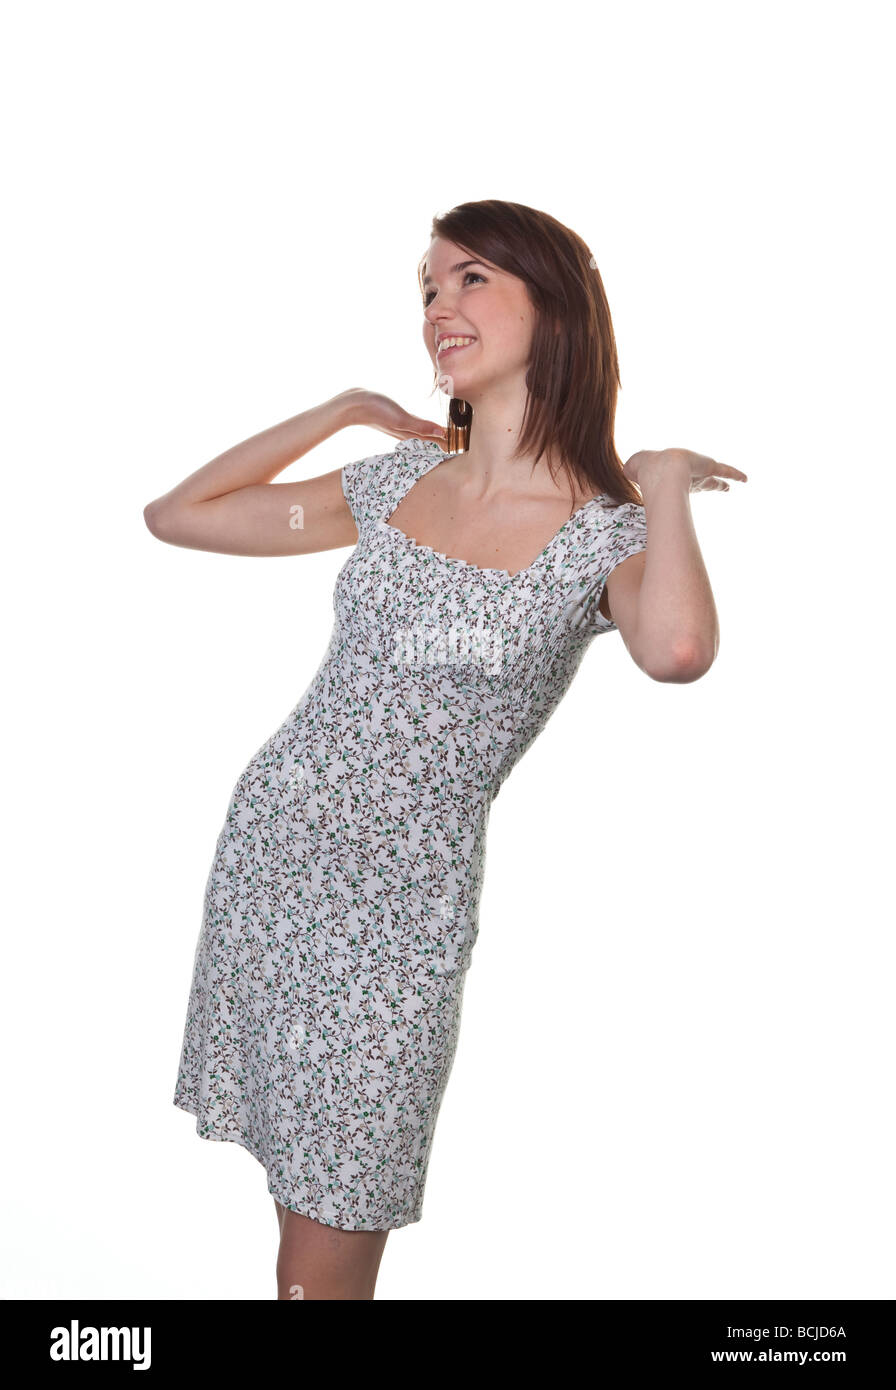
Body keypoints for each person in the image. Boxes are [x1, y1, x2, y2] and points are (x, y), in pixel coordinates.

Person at [143, 199, 746, 1300]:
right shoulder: (390, 488)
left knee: (328, 1259)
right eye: (426, 288)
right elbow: (177, 514)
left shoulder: (609, 533)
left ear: (553, 305)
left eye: (468, 279)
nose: (437, 308)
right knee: (296, 1259)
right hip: (275, 867)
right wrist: (341, 411)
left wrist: (658, 482)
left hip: (398, 922)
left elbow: (675, 648)